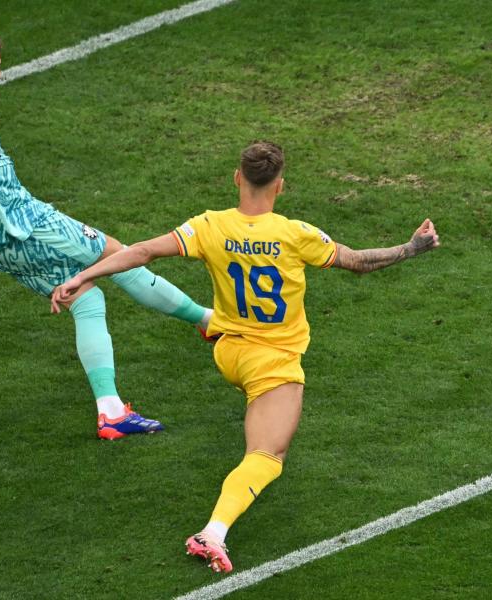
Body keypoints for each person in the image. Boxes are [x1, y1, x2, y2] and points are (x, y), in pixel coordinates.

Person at [50, 141, 440, 572]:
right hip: (271, 363)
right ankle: (212, 533)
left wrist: (81, 276)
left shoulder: (210, 226)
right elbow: (358, 261)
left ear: (237, 178)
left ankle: (216, 526)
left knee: (262, 432)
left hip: (229, 350)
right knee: (267, 458)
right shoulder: (295, 234)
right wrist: (411, 248)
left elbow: (141, 252)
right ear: (281, 186)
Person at [0, 28, 213, 440]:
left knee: (85, 297)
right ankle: (208, 322)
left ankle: (112, 413)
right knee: (118, 254)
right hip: (23, 224)